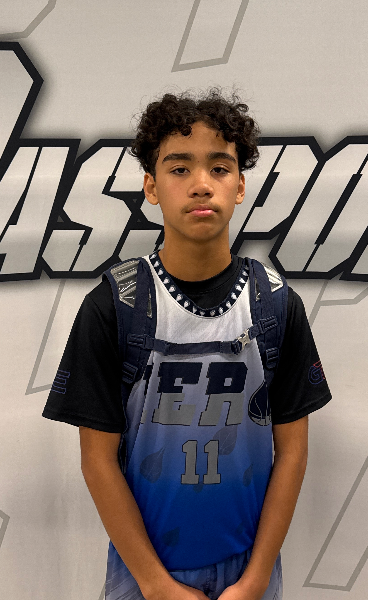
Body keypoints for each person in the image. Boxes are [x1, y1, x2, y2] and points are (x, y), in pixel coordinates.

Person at [42, 88, 332, 600]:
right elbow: (97, 461)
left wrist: (256, 579)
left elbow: (293, 451)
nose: (201, 184)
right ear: (151, 187)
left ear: (240, 186)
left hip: (250, 570)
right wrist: (156, 585)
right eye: (179, 168)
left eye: (219, 168)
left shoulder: (275, 303)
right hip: (143, 573)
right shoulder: (113, 305)